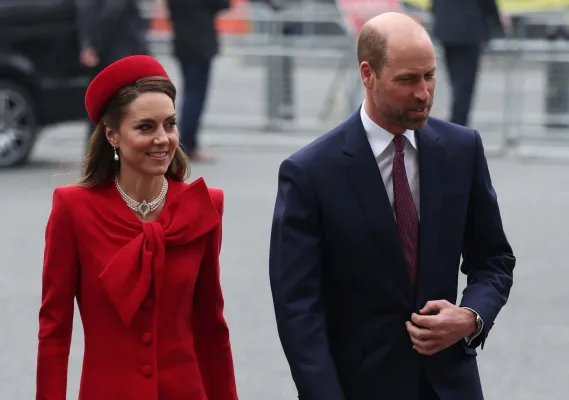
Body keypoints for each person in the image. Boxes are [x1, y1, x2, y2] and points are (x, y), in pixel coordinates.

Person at [269, 12, 514, 400]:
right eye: (407, 80)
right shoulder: (310, 172)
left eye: (429, 76)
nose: (424, 93)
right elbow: (298, 309)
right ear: (367, 74)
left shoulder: (461, 150)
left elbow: (494, 258)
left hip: (450, 385)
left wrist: (470, 317)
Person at [36, 55, 238, 400]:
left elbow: (212, 329)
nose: (163, 139)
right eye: (146, 127)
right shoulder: (73, 209)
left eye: (170, 124)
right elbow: (54, 332)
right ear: (112, 134)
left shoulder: (202, 206)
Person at [74, 0, 149, 144]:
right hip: (117, 56)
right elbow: (108, 14)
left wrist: (89, 46)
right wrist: (91, 47)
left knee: (107, 110)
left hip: (115, 55)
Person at [166, 0, 230, 162]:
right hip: (200, 44)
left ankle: (185, 142)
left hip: (182, 42)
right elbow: (223, 4)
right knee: (195, 96)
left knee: (190, 93)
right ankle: (188, 144)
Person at [431, 0, 505, 126]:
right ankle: (458, 123)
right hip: (470, 30)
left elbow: (434, 6)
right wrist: (497, 24)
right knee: (465, 84)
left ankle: (456, 122)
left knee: (455, 80)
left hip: (446, 28)